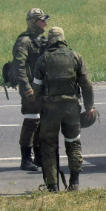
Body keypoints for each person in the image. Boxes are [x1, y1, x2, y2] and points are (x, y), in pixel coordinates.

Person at [33, 27, 94, 192]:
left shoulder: (43, 59)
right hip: (71, 109)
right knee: (73, 142)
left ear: (50, 40)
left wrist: (39, 104)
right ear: (63, 38)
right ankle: (74, 183)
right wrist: (89, 106)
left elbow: (36, 88)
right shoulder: (75, 57)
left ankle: (52, 185)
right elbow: (87, 85)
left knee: (48, 146)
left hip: (50, 110)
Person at [11, 8, 49, 171]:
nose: (45, 23)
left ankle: (38, 157)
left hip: (42, 88)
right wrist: (27, 89)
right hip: (31, 90)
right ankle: (26, 159)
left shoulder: (40, 40)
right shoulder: (24, 41)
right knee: (31, 122)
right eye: (42, 20)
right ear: (34, 22)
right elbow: (18, 67)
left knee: (41, 123)